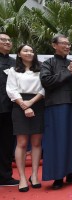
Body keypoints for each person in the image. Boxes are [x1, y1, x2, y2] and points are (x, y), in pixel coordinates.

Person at [40, 34, 72, 189]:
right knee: (57, 141)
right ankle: (58, 177)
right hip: (56, 107)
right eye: (64, 43)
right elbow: (47, 82)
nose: (67, 46)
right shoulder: (48, 63)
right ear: (54, 45)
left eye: (69, 44)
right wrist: (68, 73)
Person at [6, 45, 44, 192]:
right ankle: (22, 177)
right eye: (25, 51)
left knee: (36, 142)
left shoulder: (41, 69)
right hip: (19, 104)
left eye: (31, 51)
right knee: (21, 143)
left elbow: (44, 88)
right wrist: (24, 105)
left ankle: (34, 175)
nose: (29, 53)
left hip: (38, 104)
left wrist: (31, 103)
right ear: (19, 54)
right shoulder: (13, 70)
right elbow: (11, 89)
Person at [0, 33, 19, 186]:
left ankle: (4, 177)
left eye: (9, 40)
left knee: (6, 144)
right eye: (3, 40)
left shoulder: (15, 63)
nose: (7, 42)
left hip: (9, 109)